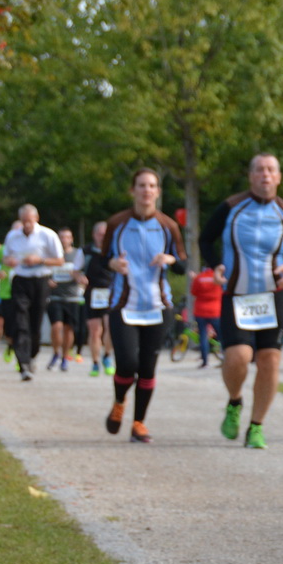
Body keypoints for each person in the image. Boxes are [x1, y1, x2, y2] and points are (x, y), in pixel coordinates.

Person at [200, 153, 283, 450]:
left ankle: (257, 426)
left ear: (279, 176)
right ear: (251, 176)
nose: (265, 175)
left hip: (274, 295)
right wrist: (216, 264)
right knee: (238, 357)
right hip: (238, 294)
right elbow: (205, 239)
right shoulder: (231, 207)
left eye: (271, 170)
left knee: (270, 360)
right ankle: (235, 401)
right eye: (259, 170)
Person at [102, 169, 189, 443]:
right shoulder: (117, 223)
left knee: (148, 368)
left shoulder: (168, 226)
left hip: (157, 305)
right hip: (124, 305)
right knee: (127, 364)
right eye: (141, 185)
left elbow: (184, 264)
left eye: (152, 186)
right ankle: (119, 402)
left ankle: (139, 423)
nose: (146, 190)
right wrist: (112, 263)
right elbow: (99, 260)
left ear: (158, 192)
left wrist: (171, 260)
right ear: (133, 190)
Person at [3, 205, 65, 381]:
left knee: (35, 322)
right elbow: (5, 258)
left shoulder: (48, 235)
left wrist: (40, 260)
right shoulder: (13, 236)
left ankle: (32, 355)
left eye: (30, 221)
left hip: (40, 280)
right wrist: (11, 261)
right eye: (24, 221)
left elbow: (60, 260)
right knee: (20, 320)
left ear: (36, 219)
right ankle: (22, 362)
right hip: (20, 279)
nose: (27, 224)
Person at [47, 228, 86, 372]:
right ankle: (56, 353)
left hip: (73, 297)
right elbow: (44, 272)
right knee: (56, 326)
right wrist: (48, 281)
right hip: (55, 296)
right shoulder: (52, 255)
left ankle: (65, 357)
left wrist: (81, 279)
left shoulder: (77, 255)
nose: (64, 240)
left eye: (67, 237)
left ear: (71, 239)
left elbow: (83, 272)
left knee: (69, 329)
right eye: (61, 237)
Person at [83, 220, 115, 376]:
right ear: (94, 234)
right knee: (95, 330)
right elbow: (75, 270)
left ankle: (107, 356)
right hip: (92, 294)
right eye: (100, 234)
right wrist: (79, 278)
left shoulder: (114, 250)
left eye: (105, 234)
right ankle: (95, 363)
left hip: (111, 292)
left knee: (111, 328)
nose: (102, 237)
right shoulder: (86, 251)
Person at [189, 264, 223, 368]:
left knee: (203, 336)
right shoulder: (217, 278)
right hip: (215, 310)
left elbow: (193, 292)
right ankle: (226, 357)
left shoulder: (199, 278)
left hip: (200, 311)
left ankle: (205, 362)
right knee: (221, 335)